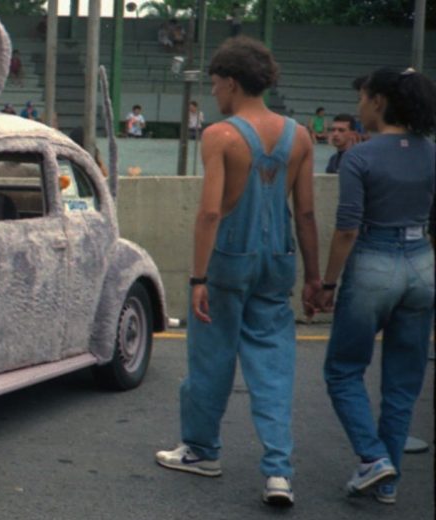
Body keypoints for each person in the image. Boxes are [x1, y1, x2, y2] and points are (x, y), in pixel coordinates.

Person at [155, 36, 320, 509]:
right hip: (278, 259)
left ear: (230, 82)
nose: (213, 93)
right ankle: (278, 471)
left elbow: (211, 212)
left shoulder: (221, 136)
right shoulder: (300, 137)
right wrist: (314, 277)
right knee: (273, 365)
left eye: (214, 84)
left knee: (211, 359)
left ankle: (202, 450)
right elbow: (306, 214)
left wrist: (197, 278)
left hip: (229, 257)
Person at [314, 67, 436, 505]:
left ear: (379, 102)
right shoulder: (431, 153)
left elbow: (347, 228)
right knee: (403, 382)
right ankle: (388, 482)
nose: (360, 106)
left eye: (363, 98)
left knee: (343, 369)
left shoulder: (359, 157)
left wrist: (328, 283)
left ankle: (372, 456)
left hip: (374, 261)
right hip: (421, 261)